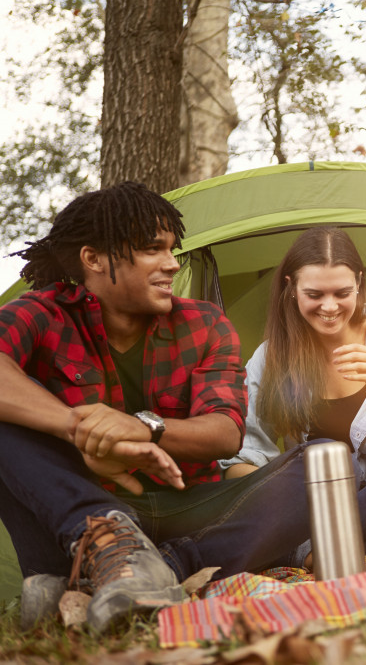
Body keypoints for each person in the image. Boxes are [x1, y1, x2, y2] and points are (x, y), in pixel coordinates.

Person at [0, 182, 317, 632]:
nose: (172, 263)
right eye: (153, 249)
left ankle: (158, 567)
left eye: (172, 249)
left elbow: (225, 432)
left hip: (189, 507)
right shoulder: (42, 313)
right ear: (93, 259)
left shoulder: (204, 322)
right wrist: (77, 428)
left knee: (324, 462)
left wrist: (139, 429)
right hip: (80, 520)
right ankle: (109, 550)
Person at [220, 227, 366, 557]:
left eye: (342, 293)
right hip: (311, 502)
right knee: (323, 453)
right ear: (291, 288)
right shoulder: (271, 356)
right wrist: (290, 493)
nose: (329, 307)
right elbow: (241, 460)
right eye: (315, 295)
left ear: (359, 283)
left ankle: (317, 549)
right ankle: (359, 547)